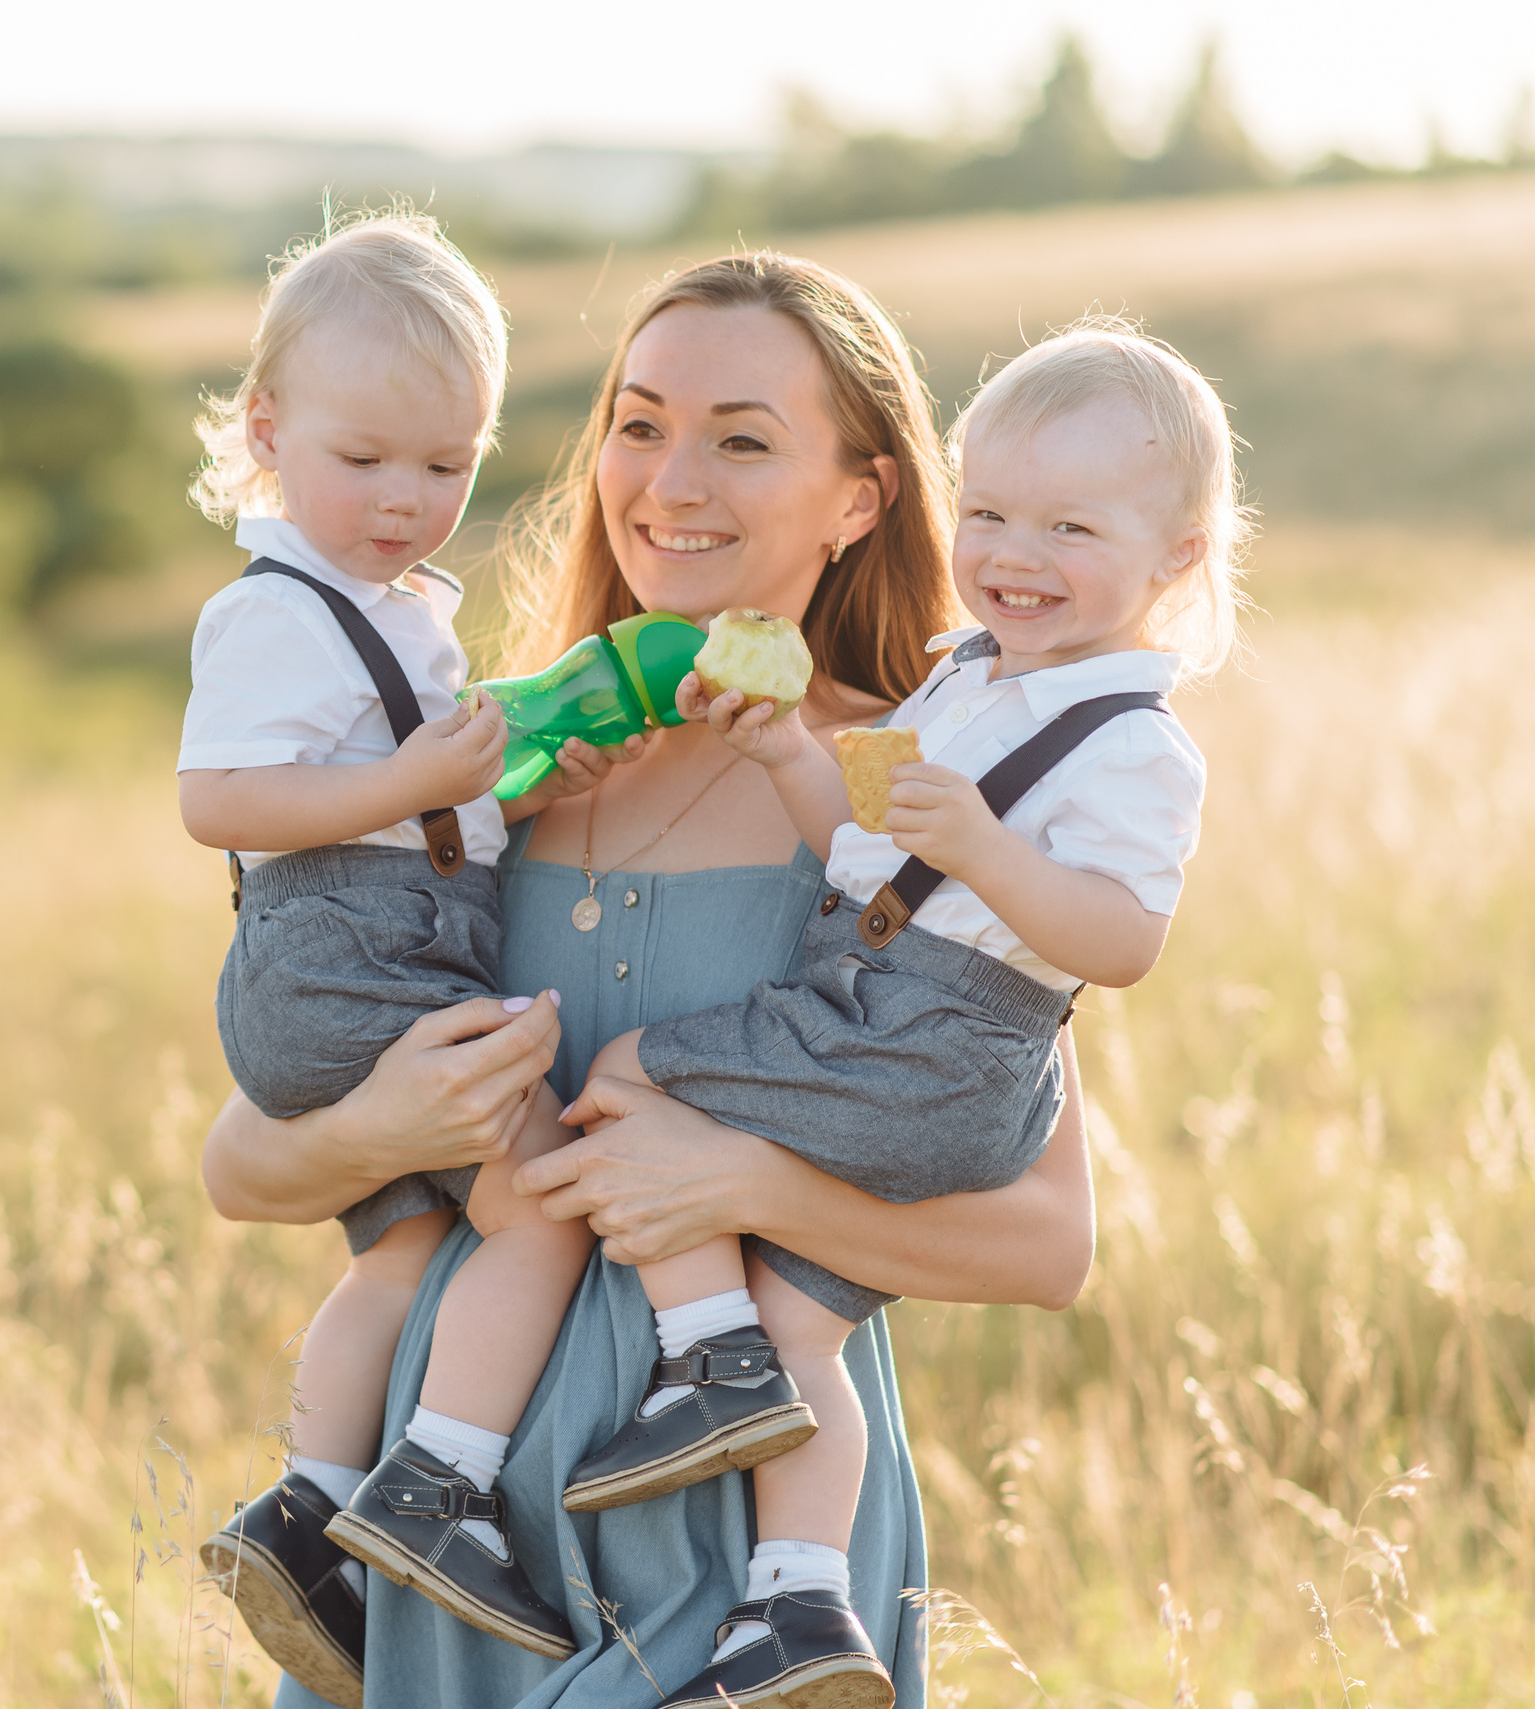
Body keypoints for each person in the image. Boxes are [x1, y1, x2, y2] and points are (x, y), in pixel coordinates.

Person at [201, 253, 1101, 1709]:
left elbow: (1048, 1240)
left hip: (749, 1564)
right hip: (440, 1527)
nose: (670, 481)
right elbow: (242, 1160)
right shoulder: (488, 758)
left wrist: (739, 1188)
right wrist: (398, 1125)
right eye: (637, 423)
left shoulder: (912, 787)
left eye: (743, 438)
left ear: (859, 496)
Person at [562, 320, 1244, 1707]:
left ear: (1176, 558)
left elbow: (1121, 941)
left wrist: (994, 853)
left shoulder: (1130, 739)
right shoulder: (965, 680)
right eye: (988, 510)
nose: (1013, 552)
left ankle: (713, 1361)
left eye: (1070, 525)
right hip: (893, 997)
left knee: (636, 1067)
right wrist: (792, 758)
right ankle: (799, 1609)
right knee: (813, 1331)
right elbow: (864, 852)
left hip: (936, 1030)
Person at [180, 212, 634, 1704]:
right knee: (543, 1205)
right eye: (365, 459)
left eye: (447, 467)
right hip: (351, 964)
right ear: (266, 430)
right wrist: (411, 784)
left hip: (364, 954)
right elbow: (221, 801)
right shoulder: (272, 612)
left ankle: (308, 1509)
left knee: (410, 1242)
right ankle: (437, 1489)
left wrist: (507, 787)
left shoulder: (381, 612)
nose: (405, 500)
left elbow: (419, 799)